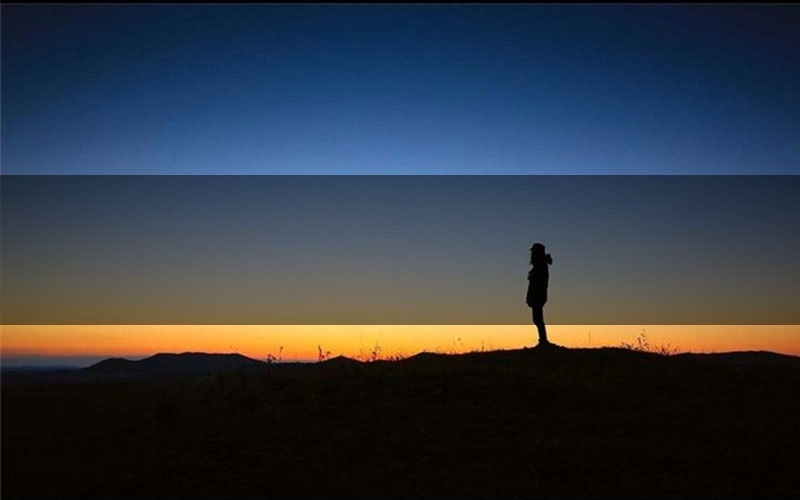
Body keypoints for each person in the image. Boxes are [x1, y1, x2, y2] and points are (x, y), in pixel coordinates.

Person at [526, 242, 553, 347]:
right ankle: (543, 340)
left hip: (538, 295)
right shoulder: (540, 264)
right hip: (538, 295)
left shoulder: (540, 265)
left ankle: (543, 341)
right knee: (537, 318)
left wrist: (534, 295)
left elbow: (539, 282)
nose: (532, 254)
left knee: (538, 318)